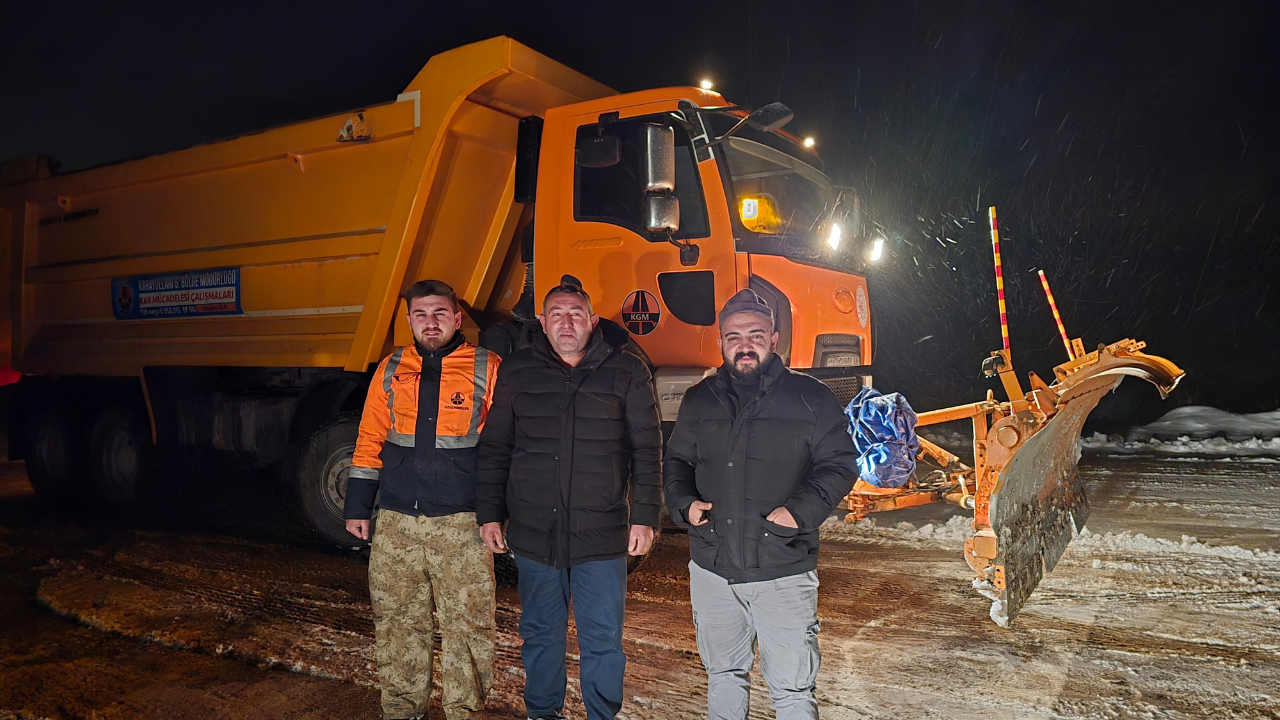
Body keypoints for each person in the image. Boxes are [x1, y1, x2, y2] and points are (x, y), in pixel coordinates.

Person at [663, 288, 858, 720]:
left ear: (774, 340)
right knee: (725, 674)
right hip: (713, 568)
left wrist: (797, 513)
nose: (744, 345)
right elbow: (676, 459)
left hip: (782, 568)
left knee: (791, 687)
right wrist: (684, 505)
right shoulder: (700, 399)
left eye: (755, 334)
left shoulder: (811, 398)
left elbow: (840, 463)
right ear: (721, 343)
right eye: (733, 337)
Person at [476, 275, 663, 720]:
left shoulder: (626, 371)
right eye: (556, 314)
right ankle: (544, 713)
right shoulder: (518, 371)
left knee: (602, 638)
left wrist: (646, 516)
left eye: (575, 314)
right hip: (535, 531)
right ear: (542, 322)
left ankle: (602, 714)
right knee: (541, 632)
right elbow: (496, 445)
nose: (566, 322)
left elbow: (647, 448)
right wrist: (490, 513)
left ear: (592, 320)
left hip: (601, 533)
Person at [344, 279, 501, 720]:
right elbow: (371, 434)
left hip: (462, 524)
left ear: (457, 317)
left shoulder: (488, 367)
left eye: (439, 314)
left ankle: (464, 713)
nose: (430, 323)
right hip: (396, 521)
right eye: (420, 315)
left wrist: (496, 512)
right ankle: (402, 711)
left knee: (468, 627)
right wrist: (358, 506)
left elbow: (502, 446)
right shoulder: (392, 367)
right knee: (397, 623)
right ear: (409, 319)